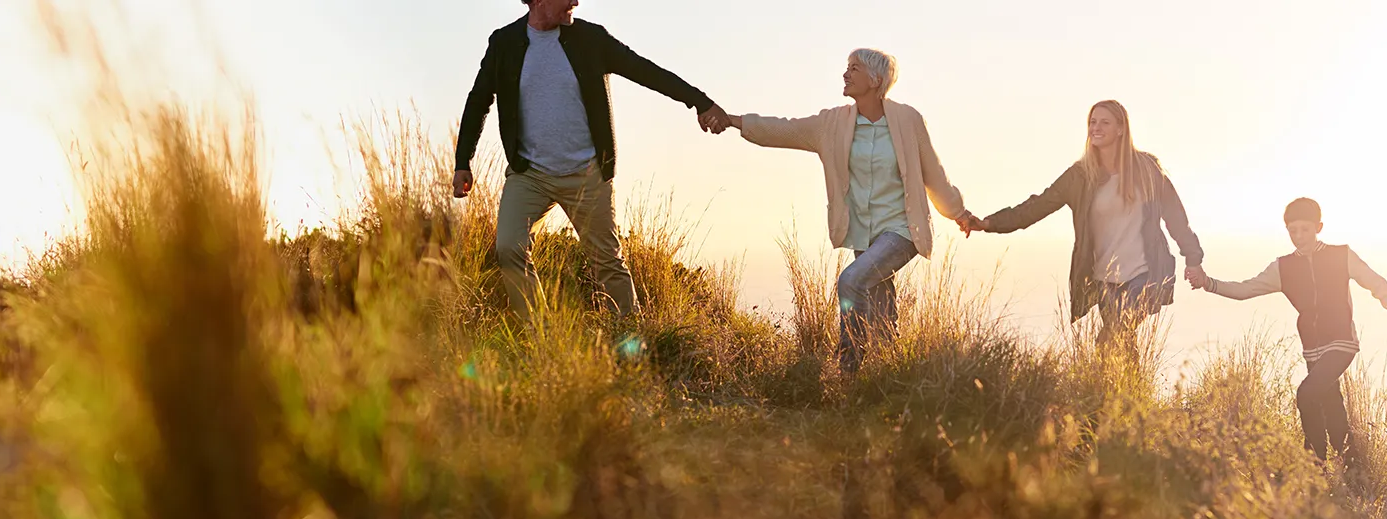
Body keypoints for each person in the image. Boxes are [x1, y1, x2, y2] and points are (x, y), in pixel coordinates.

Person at [452, 0, 730, 323]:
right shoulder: (504, 43)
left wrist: (699, 102)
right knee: (509, 249)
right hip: (530, 174)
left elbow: (646, 71)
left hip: (587, 174)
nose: (575, 2)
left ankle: (632, 343)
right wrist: (463, 161)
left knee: (608, 264)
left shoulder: (591, 40)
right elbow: (478, 101)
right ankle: (542, 337)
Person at [724, 48, 976, 373]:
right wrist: (732, 120)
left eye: (853, 69)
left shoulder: (907, 121)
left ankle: (848, 371)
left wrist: (958, 212)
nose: (845, 74)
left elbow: (934, 173)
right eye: (847, 68)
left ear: (875, 80)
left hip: (902, 230)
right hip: (864, 233)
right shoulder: (833, 124)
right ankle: (890, 379)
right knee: (881, 315)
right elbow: (783, 129)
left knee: (851, 281)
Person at [966, 100, 1203, 366]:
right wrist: (989, 223)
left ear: (1121, 129)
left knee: (1112, 337)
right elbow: (1036, 207)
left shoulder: (1147, 170)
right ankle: (1130, 400)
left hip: (1144, 274)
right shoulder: (1080, 176)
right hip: (1103, 279)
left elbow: (1177, 220)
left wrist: (1194, 260)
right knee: (1118, 342)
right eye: (1092, 122)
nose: (1096, 127)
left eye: (1104, 122)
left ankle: (1124, 400)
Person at [1186, 198, 1387, 464]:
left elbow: (1375, 283)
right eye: (1293, 231)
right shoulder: (1283, 267)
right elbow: (1245, 289)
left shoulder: (1342, 255)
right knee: (1331, 405)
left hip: (1341, 343)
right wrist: (1208, 283)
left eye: (1305, 229)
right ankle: (1352, 467)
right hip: (1312, 349)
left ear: (1319, 227)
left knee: (1307, 394)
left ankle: (1314, 464)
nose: (1299, 236)